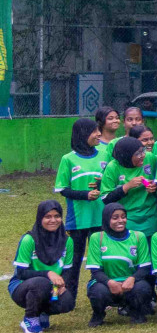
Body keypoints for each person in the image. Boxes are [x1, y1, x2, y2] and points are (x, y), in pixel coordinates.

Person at [56, 117, 108, 295]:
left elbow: (111, 182)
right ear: (82, 134)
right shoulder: (68, 159)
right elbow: (63, 189)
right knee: (75, 257)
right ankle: (69, 294)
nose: (99, 134)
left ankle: (100, 292)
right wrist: (85, 195)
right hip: (78, 218)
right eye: (94, 131)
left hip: (101, 216)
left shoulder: (105, 155)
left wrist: (101, 186)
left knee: (101, 257)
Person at [12, 201, 77, 333]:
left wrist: (62, 286)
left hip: (51, 287)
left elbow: (67, 271)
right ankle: (30, 318)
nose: (53, 220)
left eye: (57, 216)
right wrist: (48, 273)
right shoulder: (28, 240)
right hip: (22, 286)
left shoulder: (67, 241)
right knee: (41, 283)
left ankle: (42, 313)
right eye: (47, 216)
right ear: (40, 217)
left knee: (68, 302)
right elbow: (21, 273)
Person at [83, 203, 153, 325]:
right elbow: (95, 271)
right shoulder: (97, 237)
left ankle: (137, 313)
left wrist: (132, 279)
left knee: (143, 288)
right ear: (106, 219)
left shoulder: (138, 236)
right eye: (115, 218)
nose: (120, 220)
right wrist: (110, 282)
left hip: (130, 283)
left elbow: (144, 267)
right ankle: (98, 315)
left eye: (123, 217)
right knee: (98, 291)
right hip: (105, 282)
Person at [101, 136, 157, 235]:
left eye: (143, 151)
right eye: (138, 154)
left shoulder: (150, 157)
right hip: (127, 218)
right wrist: (126, 187)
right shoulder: (113, 167)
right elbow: (106, 198)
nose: (142, 155)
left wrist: (156, 185)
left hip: (150, 216)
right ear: (126, 155)